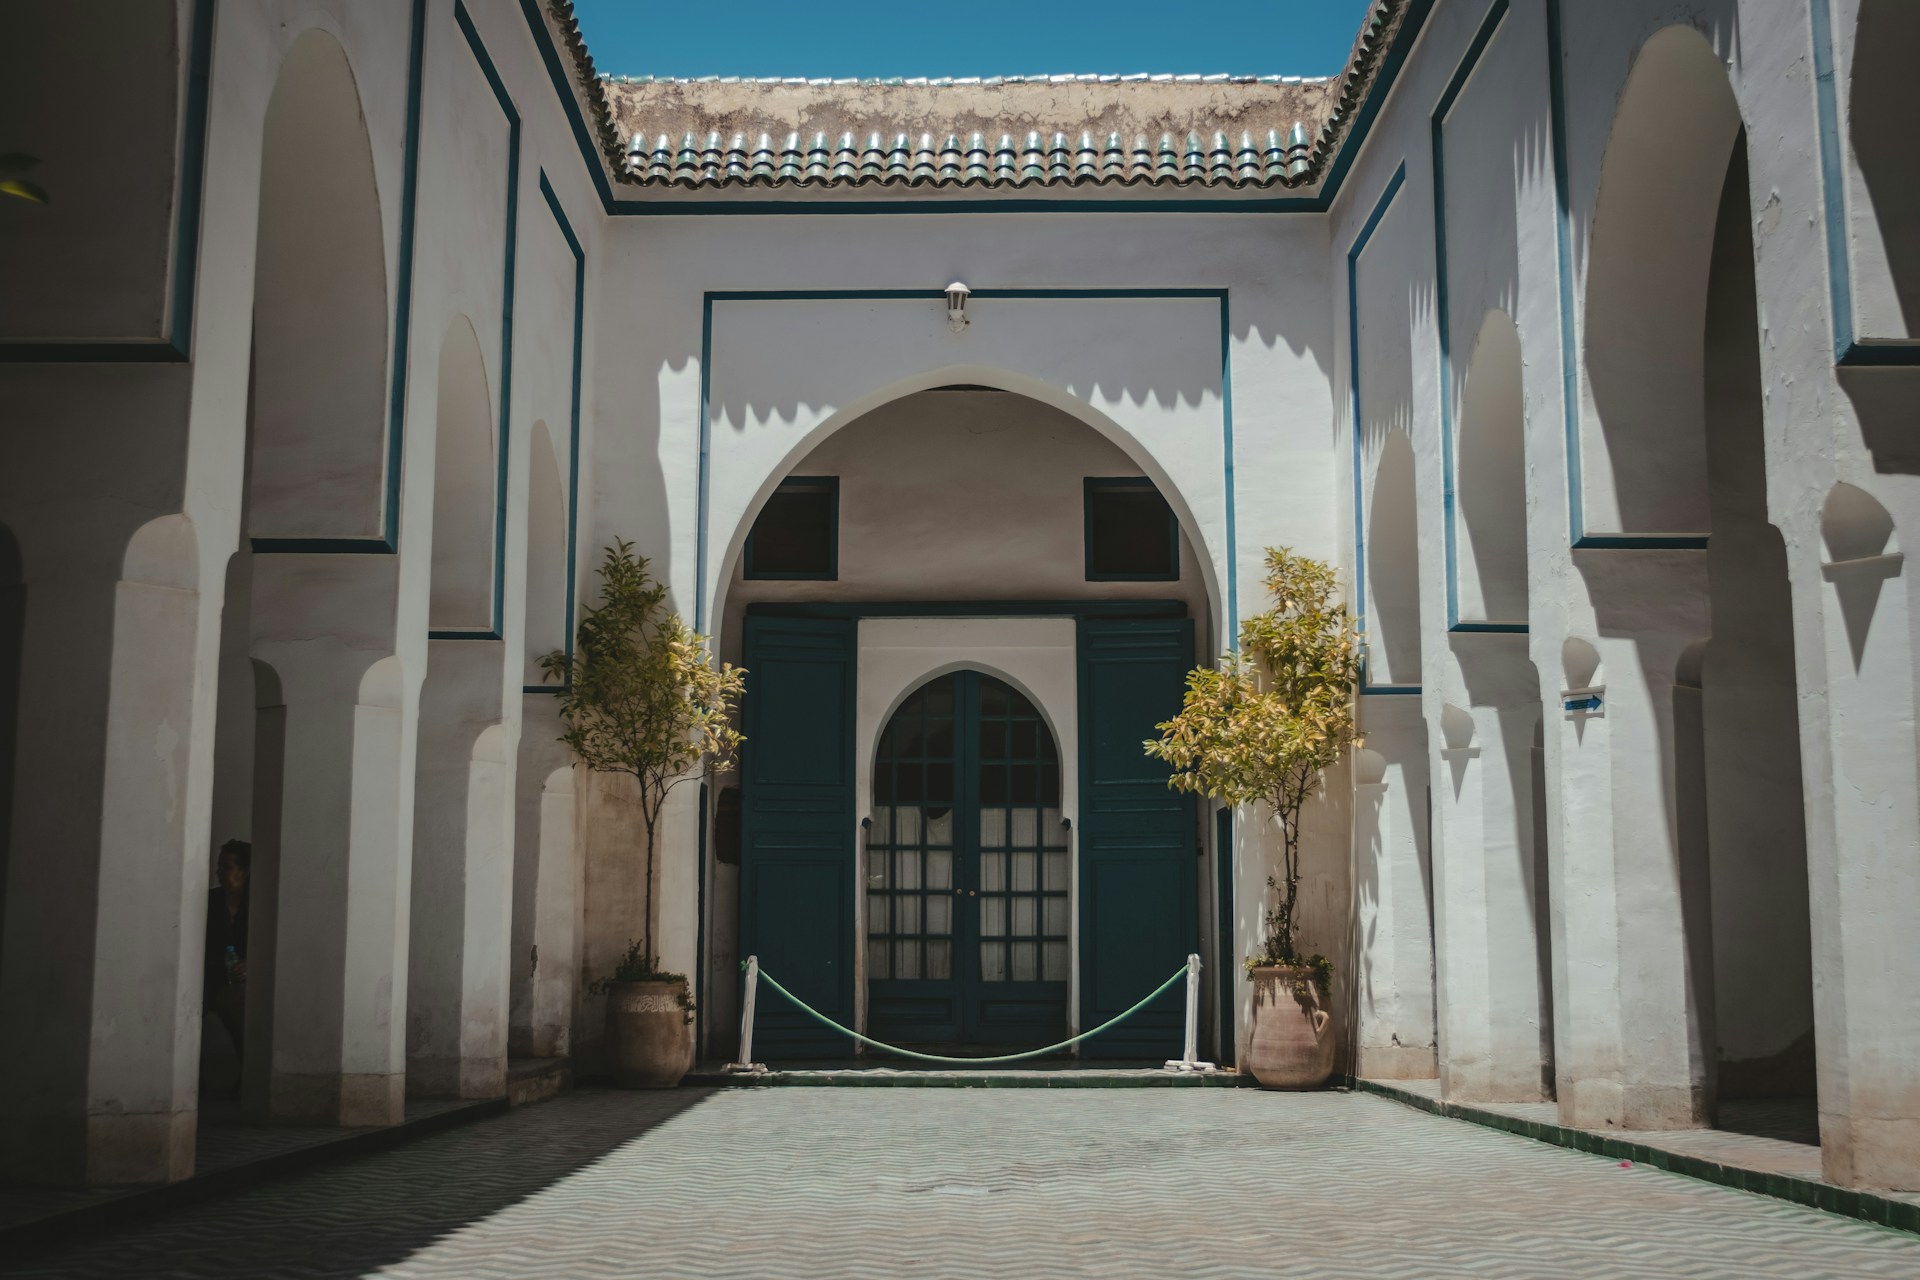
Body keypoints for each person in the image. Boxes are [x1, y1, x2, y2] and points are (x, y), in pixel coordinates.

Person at [204, 839, 251, 1090]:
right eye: (218, 867)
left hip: (240, 983)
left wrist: (251, 964)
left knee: (244, 1007)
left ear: (243, 871)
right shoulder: (211, 901)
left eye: (226, 867)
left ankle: (249, 1079)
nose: (219, 873)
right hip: (210, 978)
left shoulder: (260, 903)